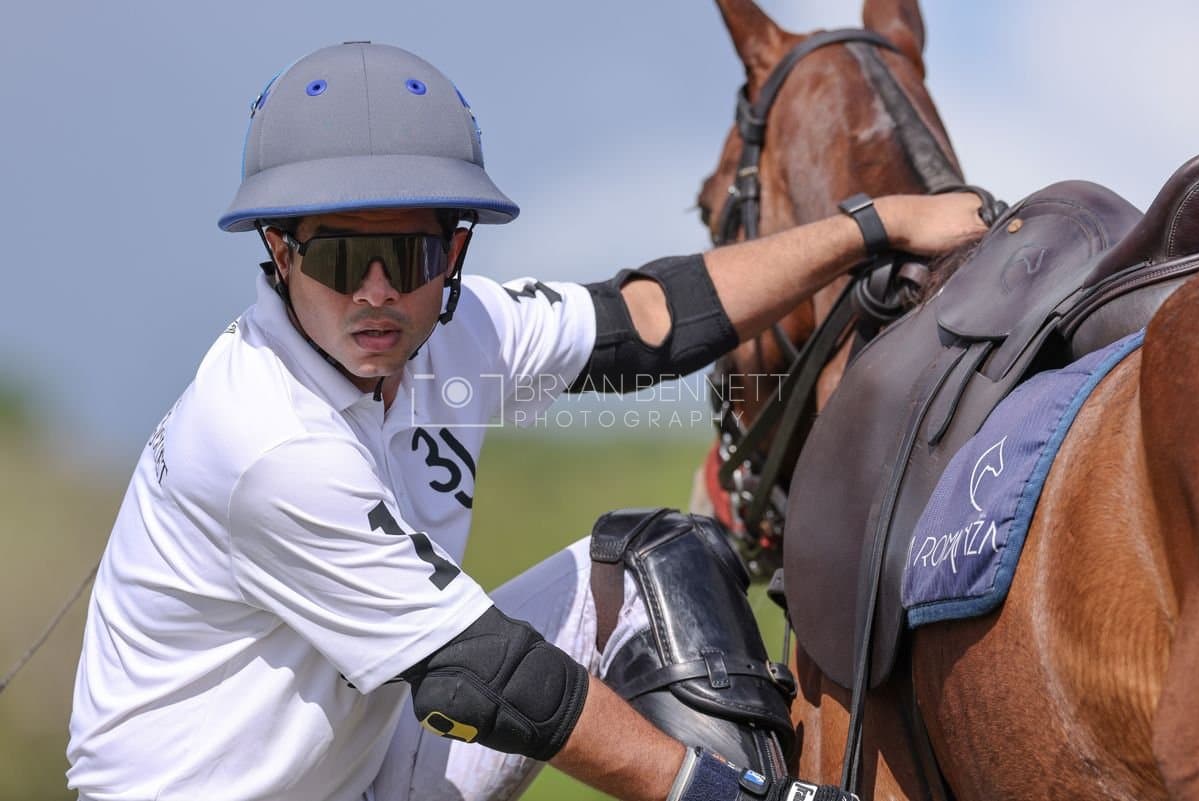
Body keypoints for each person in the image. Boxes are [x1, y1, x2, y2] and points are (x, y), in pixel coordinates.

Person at [66, 42, 985, 801]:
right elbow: (485, 674)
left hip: (357, 771)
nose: (378, 293)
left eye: (407, 252)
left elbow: (649, 322)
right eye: (343, 256)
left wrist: (877, 225)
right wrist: (719, 793)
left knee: (651, 564)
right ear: (279, 252)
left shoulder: (449, 332)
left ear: (454, 247)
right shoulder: (264, 440)